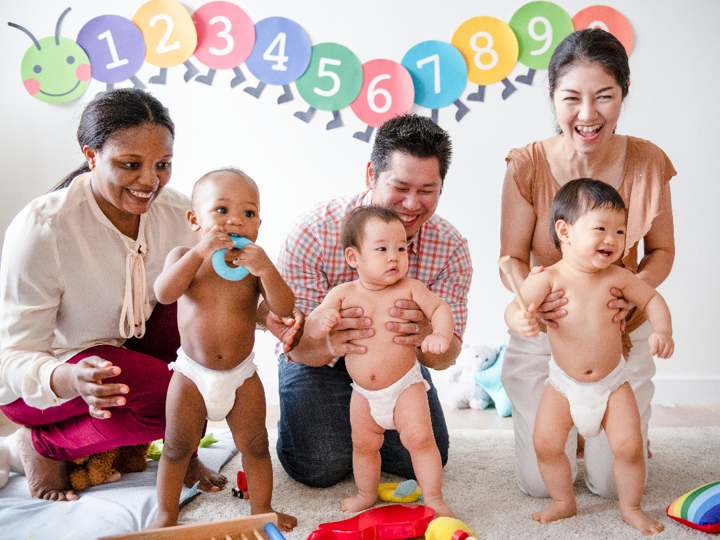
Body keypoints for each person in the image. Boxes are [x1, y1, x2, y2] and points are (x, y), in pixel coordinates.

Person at [0, 89, 299, 503]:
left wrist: (272, 318)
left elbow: (224, 296)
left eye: (163, 165)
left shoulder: (180, 213)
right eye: (130, 165)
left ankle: (182, 452)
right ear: (91, 155)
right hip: (48, 379)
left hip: (125, 352)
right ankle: (44, 446)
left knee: (192, 313)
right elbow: (10, 357)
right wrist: (68, 377)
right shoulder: (42, 228)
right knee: (169, 399)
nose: (150, 181)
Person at [499, 28, 677, 501]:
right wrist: (529, 307)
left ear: (624, 93)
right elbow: (510, 258)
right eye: (571, 98)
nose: (587, 114)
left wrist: (628, 294)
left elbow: (662, 251)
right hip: (551, 332)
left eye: (604, 97)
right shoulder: (527, 163)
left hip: (619, 327)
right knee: (539, 485)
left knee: (608, 485)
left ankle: (626, 426)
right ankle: (570, 430)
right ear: (553, 97)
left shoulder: (648, 162)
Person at [274, 113, 473, 488]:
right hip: (317, 360)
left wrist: (427, 332)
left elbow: (447, 355)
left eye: (427, 190)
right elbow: (295, 345)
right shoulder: (314, 233)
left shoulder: (450, 248)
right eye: (400, 187)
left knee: (422, 459)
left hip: (397, 364)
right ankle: (322, 427)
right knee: (319, 465)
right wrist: (328, 338)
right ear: (371, 175)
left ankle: (359, 435)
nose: (412, 204)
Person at [505, 179, 672, 535]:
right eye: (601, 229)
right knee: (546, 444)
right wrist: (520, 318)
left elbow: (652, 299)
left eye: (620, 231)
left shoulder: (619, 277)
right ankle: (563, 501)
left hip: (613, 384)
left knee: (629, 447)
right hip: (563, 385)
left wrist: (661, 331)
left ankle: (631, 506)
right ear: (564, 231)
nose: (612, 239)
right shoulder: (549, 278)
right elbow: (516, 305)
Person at [147, 169, 296, 530]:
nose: (235, 220)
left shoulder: (252, 266)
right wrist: (199, 252)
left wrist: (267, 270)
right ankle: (166, 512)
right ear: (194, 219)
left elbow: (284, 309)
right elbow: (165, 293)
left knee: (257, 445)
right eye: (221, 210)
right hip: (191, 374)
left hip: (241, 375)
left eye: (248, 214)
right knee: (176, 447)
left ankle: (262, 509)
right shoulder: (185, 255)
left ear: (259, 223)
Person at [306, 205, 455, 516]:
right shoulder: (343, 293)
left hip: (405, 387)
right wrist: (321, 323)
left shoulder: (411, 288)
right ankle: (365, 493)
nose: (394, 257)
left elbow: (441, 309)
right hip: (363, 392)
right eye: (383, 249)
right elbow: (314, 320)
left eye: (401, 248)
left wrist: (439, 334)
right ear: (353, 258)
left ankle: (434, 498)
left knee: (421, 440)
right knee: (363, 445)